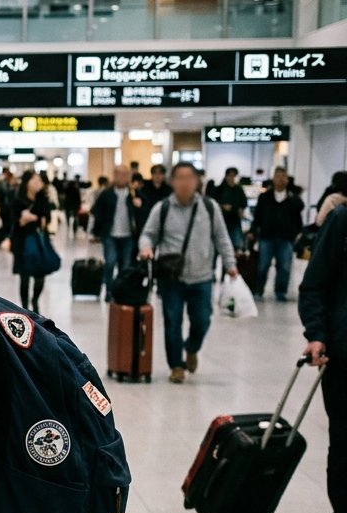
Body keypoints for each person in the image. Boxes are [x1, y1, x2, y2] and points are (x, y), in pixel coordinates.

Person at [138, 163, 238, 384]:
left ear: (197, 181)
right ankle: (176, 365)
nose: (185, 182)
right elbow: (148, 234)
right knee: (172, 322)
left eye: (189, 177)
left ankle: (191, 348)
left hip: (202, 277)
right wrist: (146, 247)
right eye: (180, 178)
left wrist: (230, 264)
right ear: (172, 182)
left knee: (201, 320)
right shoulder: (162, 208)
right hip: (171, 278)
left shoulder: (210, 207)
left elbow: (222, 238)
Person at [298, 200, 347, 513]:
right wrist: (317, 333)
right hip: (344, 353)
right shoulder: (342, 221)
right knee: (345, 440)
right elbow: (315, 283)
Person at [249, 167, 304, 302]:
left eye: (283, 176)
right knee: (263, 265)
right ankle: (259, 290)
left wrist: (298, 232)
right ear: (273, 178)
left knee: (284, 266)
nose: (280, 179)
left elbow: (298, 215)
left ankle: (280, 292)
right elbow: (258, 216)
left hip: (286, 238)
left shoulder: (292, 198)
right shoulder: (265, 197)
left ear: (287, 179)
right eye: (278, 176)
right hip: (267, 236)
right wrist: (253, 231)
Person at [90, 166, 142, 301]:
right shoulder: (107, 194)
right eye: (119, 174)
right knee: (110, 262)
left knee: (125, 265)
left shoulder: (134, 194)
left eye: (125, 175)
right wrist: (96, 232)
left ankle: (121, 291)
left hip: (128, 235)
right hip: (110, 234)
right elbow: (97, 212)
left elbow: (144, 209)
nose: (122, 177)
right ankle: (108, 291)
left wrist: (139, 205)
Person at [10, 171, 54, 314]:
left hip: (39, 240)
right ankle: (24, 306)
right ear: (27, 182)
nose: (37, 182)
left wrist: (34, 218)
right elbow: (12, 221)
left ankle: (35, 300)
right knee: (24, 275)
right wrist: (22, 220)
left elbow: (47, 219)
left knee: (40, 275)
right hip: (22, 241)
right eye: (33, 179)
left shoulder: (43, 200)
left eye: (38, 180)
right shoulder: (18, 199)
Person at [212, 167, 248, 250]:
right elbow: (212, 202)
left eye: (234, 176)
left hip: (234, 222)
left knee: (234, 248)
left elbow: (244, 203)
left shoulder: (238, 189)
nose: (232, 178)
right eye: (230, 176)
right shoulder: (219, 189)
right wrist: (222, 206)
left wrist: (240, 209)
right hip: (220, 222)